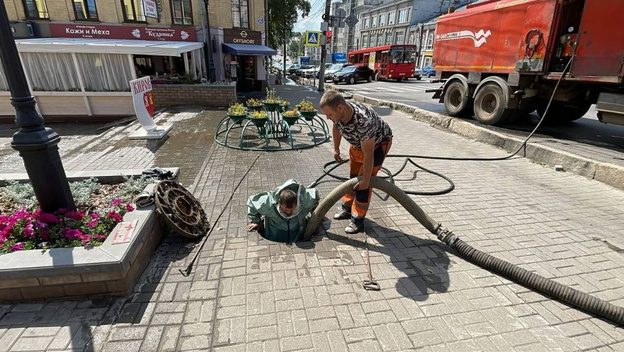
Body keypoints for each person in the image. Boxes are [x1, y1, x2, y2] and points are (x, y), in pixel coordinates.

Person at [319, 90, 393, 234]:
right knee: (353, 179)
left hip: (376, 146)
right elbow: (336, 126)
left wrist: (366, 180)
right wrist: (335, 149)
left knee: (363, 184)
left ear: (340, 107)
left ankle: (357, 220)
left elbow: (369, 155)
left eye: (329, 114)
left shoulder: (363, 121)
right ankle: (346, 210)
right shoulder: (339, 114)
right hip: (358, 144)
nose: (328, 118)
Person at [246, 179, 319, 243]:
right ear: (279, 202)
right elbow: (252, 202)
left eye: (291, 210)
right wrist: (256, 221)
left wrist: (316, 212)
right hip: (274, 234)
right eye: (285, 210)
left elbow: (314, 198)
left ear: (296, 203)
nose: (288, 213)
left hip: (297, 232)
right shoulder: (268, 203)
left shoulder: (304, 199)